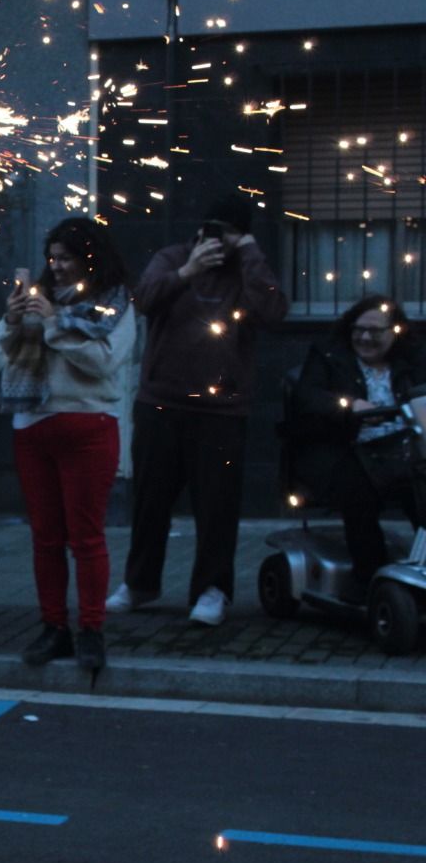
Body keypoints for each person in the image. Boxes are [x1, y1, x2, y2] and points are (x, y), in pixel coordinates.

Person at [108, 195, 289, 626]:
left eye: (228, 233)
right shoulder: (172, 258)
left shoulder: (246, 269)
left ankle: (212, 589)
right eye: (212, 230)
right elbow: (142, 299)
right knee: (150, 501)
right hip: (161, 401)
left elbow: (273, 311)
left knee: (217, 505)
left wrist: (249, 254)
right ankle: (140, 583)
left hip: (221, 409)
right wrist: (187, 271)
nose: (217, 241)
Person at [0, 218, 137, 671]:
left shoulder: (113, 303)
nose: (56, 267)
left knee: (86, 536)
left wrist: (54, 327)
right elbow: (2, 358)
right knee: (46, 537)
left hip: (88, 423)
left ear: (90, 259)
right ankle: (53, 626)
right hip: (32, 422)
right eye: (52, 257)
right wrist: (12, 322)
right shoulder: (40, 298)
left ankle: (91, 628)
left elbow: (104, 362)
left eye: (66, 258)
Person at [289, 297, 426, 593]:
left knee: (421, 490)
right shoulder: (329, 356)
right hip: (346, 448)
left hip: (404, 450)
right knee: (359, 493)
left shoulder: (410, 360)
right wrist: (350, 407)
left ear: (395, 332)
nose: (364, 338)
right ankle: (371, 581)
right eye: (358, 329)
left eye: (375, 331)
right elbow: (307, 397)